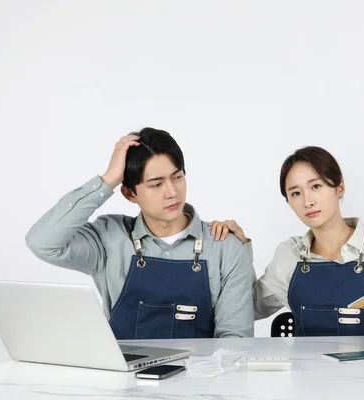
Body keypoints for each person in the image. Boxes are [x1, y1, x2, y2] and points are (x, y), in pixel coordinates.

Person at [25, 128, 255, 339]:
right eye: (156, 184)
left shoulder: (224, 246)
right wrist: (107, 181)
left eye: (177, 177)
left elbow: (234, 341)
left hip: (201, 379)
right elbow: (42, 242)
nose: (172, 192)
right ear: (129, 194)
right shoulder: (109, 237)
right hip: (123, 380)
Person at [210, 146, 364, 342]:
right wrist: (238, 249)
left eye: (316, 186)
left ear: (339, 187)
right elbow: (248, 307)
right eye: (295, 193)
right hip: (305, 379)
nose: (307, 201)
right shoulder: (289, 255)